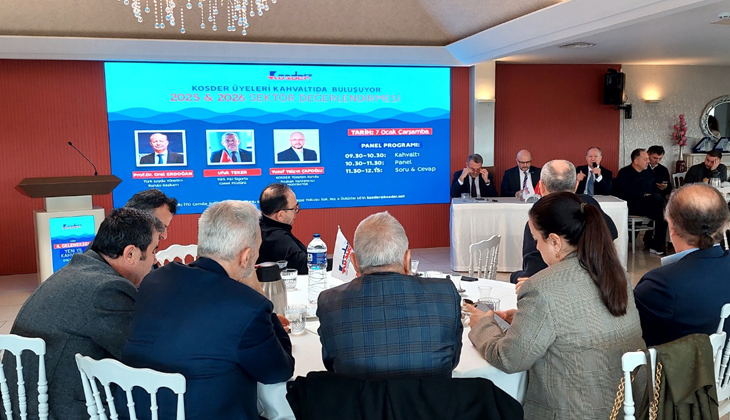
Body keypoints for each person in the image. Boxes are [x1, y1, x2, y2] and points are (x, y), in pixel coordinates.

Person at [467, 192, 644, 420]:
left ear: (555, 241)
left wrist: (483, 325)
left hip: (574, 411)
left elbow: (509, 359)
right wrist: (526, 319)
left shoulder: (541, 286)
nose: (536, 247)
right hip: (628, 407)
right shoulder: (616, 274)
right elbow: (584, 321)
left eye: (537, 240)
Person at [120, 200, 294, 420]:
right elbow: (279, 371)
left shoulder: (155, 280)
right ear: (246, 256)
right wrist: (256, 289)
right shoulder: (247, 306)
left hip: (140, 411)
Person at [5, 208, 164, 420]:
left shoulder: (79, 269)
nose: (154, 260)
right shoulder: (107, 289)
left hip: (22, 403)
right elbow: (143, 353)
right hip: (54, 409)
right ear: (130, 254)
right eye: (154, 250)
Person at [317, 211, 463, 377]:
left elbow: (331, 366)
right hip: (431, 394)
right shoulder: (445, 295)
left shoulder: (329, 302)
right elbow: (452, 361)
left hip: (360, 394)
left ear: (354, 262)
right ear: (407, 259)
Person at [634, 183, 730, 347]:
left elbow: (632, 338)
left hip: (684, 364)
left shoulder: (661, 284)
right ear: (723, 224)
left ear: (672, 226)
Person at [509, 159, 618, 283]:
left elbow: (533, 272)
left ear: (541, 186)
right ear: (576, 185)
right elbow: (612, 232)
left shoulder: (539, 216)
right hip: (599, 276)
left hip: (554, 282)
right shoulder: (588, 203)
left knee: (515, 277)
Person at [614, 148, 668, 255]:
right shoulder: (624, 173)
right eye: (645, 159)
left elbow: (653, 189)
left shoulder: (648, 172)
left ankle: (655, 244)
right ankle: (655, 245)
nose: (648, 161)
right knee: (660, 206)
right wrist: (644, 194)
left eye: (648, 159)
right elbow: (624, 193)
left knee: (664, 213)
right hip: (632, 205)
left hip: (649, 204)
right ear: (636, 161)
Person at [257, 183, 308, 274]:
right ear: (280, 215)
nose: (296, 213)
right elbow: (305, 265)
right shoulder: (276, 237)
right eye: (294, 209)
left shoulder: (259, 225)